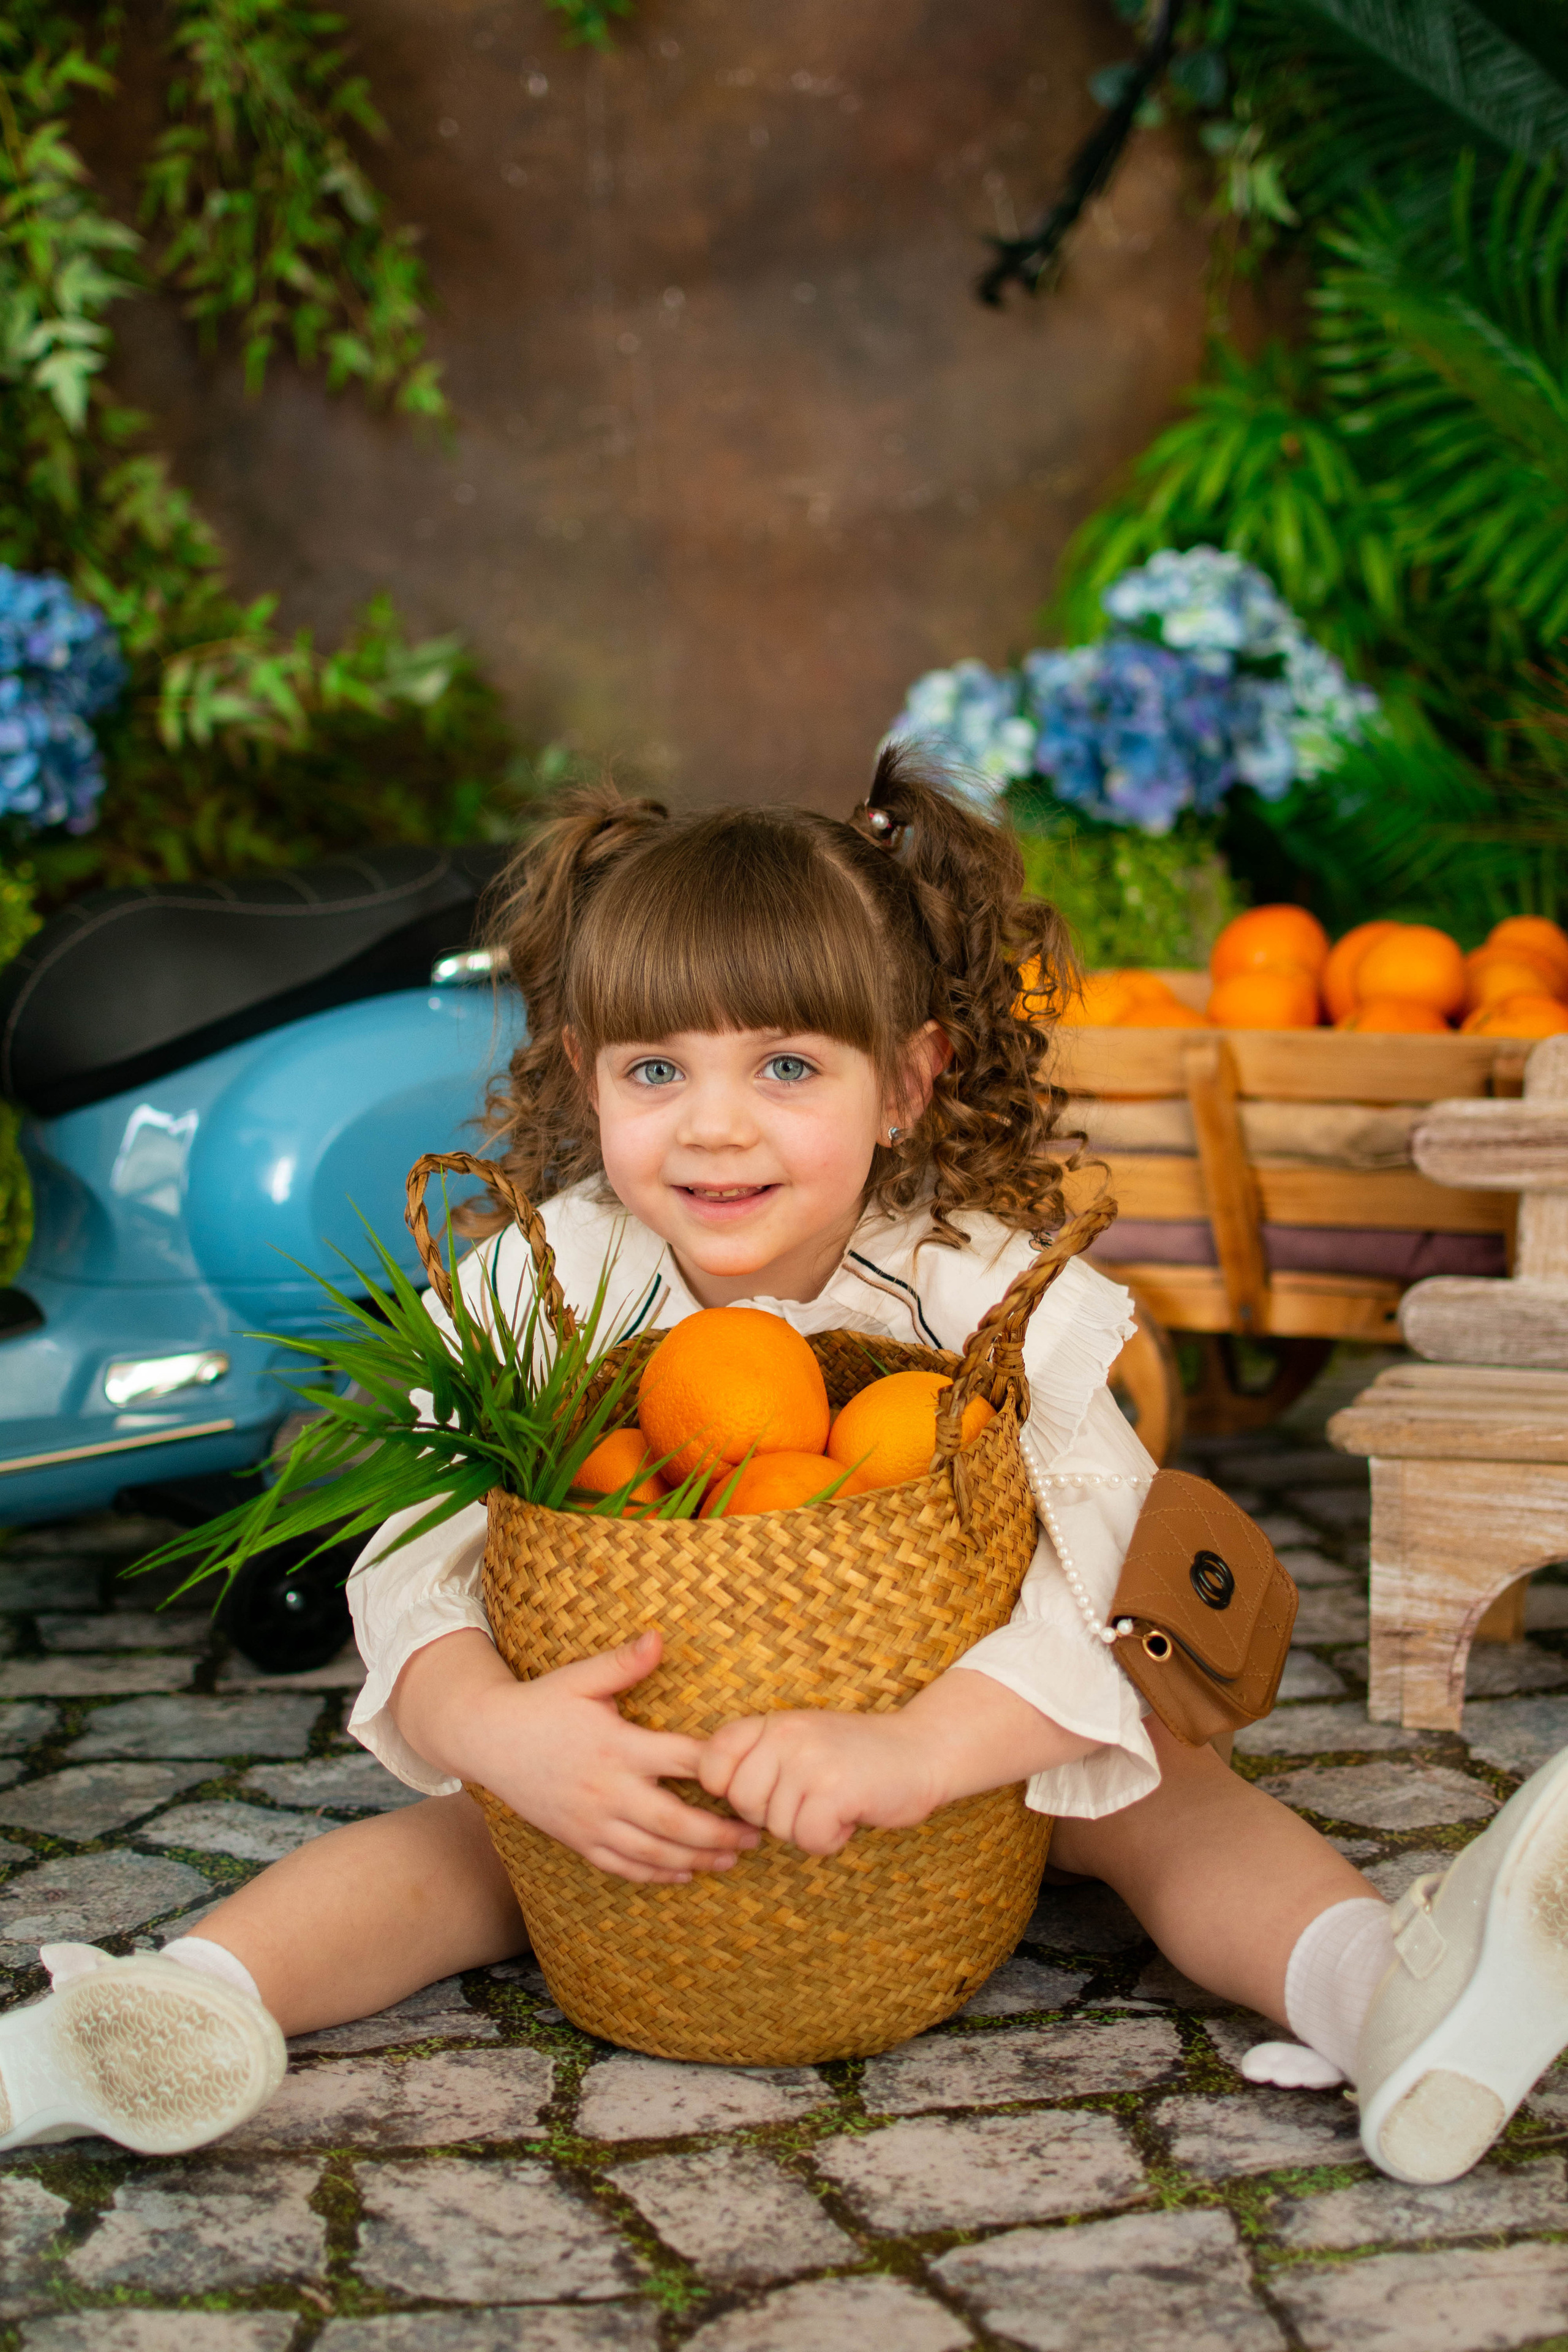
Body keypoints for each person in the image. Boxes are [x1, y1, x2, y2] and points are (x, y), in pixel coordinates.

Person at [5, 755, 1567, 2185]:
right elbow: (416, 1544)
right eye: (655, 1072)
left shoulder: (978, 1289)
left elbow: (1098, 1557)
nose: (715, 1130)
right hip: (643, 1764)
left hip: (956, 1763)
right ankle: (170, 2011)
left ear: (906, 1080)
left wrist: (921, 1751)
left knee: (1163, 1799)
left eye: (787, 1068)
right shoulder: (543, 1283)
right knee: (452, 1851)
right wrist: (496, 1725)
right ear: (582, 1078)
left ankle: (1388, 1997)